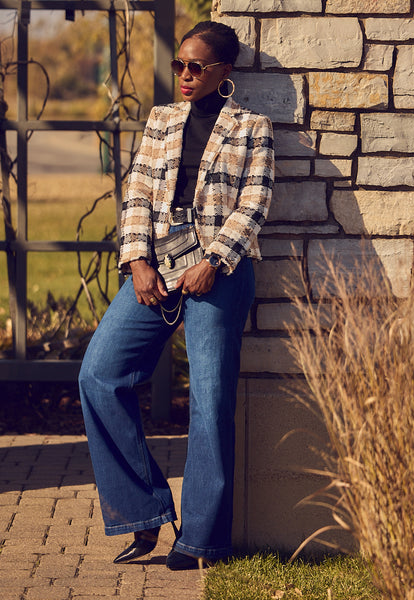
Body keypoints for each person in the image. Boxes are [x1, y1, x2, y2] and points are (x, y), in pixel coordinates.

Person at [78, 21, 274, 570]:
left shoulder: (251, 126)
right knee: (98, 373)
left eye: (197, 68)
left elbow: (255, 203)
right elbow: (137, 190)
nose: (185, 76)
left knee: (210, 400)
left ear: (224, 72)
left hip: (220, 272)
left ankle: (202, 541)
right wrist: (136, 260)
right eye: (179, 66)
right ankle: (142, 514)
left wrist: (213, 262)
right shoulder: (162, 119)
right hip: (157, 264)